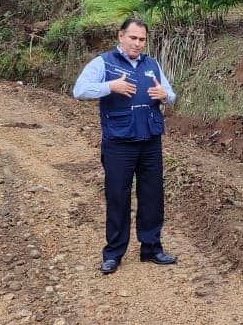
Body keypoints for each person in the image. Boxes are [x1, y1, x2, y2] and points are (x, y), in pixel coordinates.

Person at [73, 18, 178, 275]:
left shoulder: (151, 64)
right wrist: (110, 86)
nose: (138, 44)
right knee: (118, 197)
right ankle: (113, 253)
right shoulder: (103, 63)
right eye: (133, 38)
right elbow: (80, 90)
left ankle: (151, 248)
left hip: (150, 141)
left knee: (152, 196)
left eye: (142, 39)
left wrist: (165, 96)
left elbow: (171, 94)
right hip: (119, 143)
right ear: (121, 36)